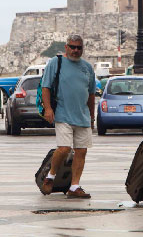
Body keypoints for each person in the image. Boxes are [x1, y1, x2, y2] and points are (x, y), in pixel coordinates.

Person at [41, 34, 96, 198]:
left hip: (83, 116)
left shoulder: (87, 67)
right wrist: (48, 109)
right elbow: (46, 87)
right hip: (63, 113)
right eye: (72, 47)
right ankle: (50, 176)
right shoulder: (55, 62)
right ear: (66, 47)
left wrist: (92, 116)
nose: (76, 50)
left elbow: (91, 94)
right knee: (64, 149)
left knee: (81, 151)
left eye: (79, 47)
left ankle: (74, 186)